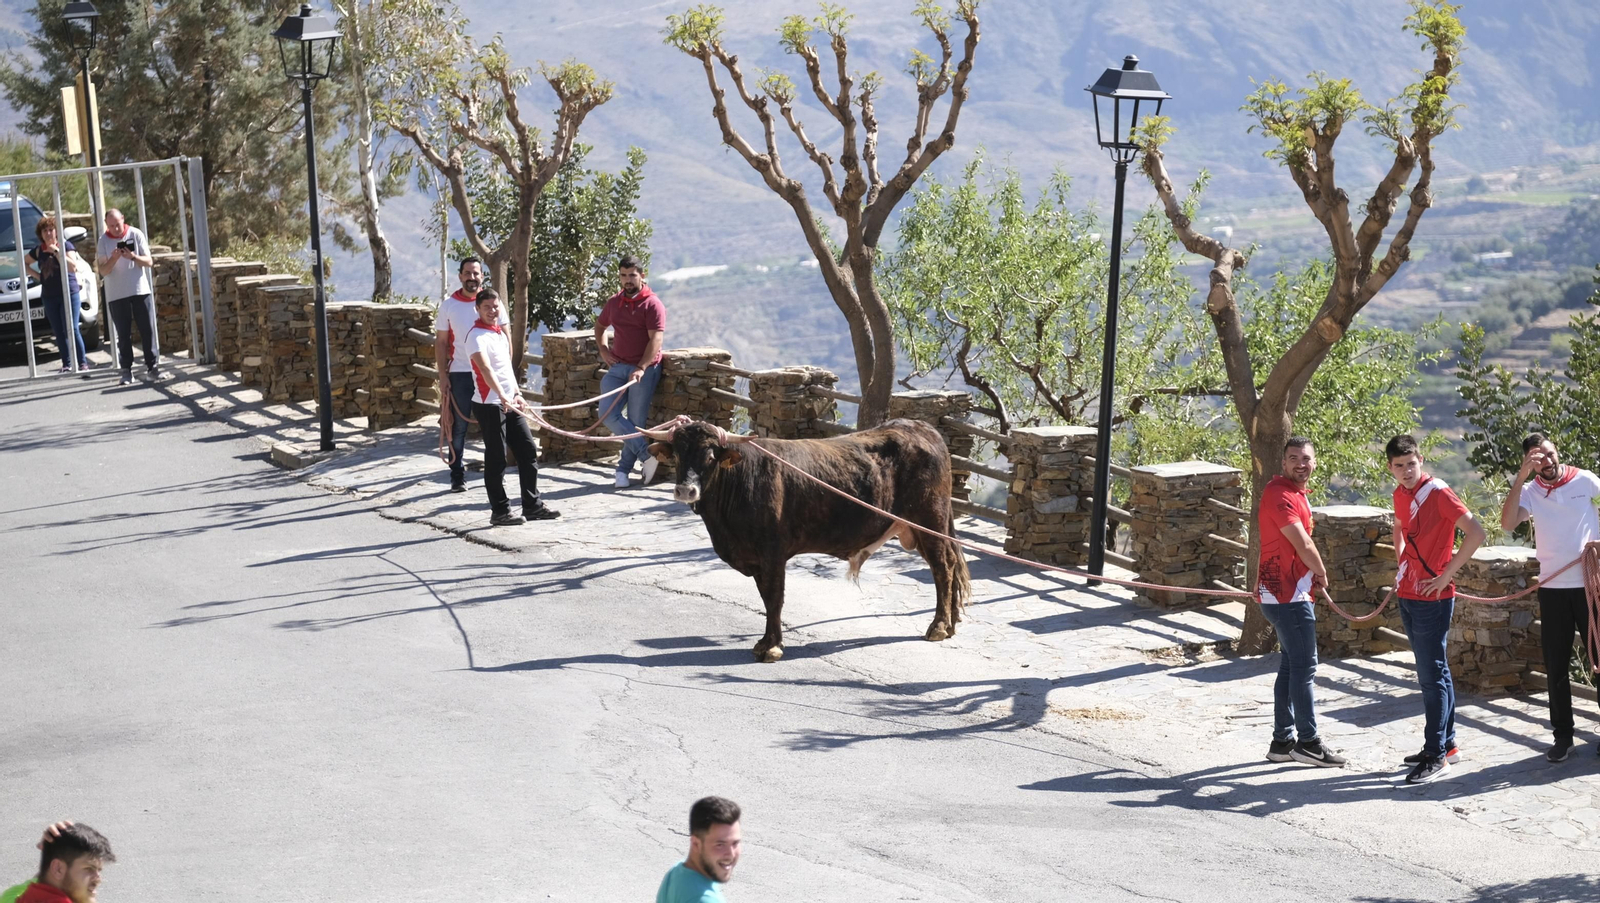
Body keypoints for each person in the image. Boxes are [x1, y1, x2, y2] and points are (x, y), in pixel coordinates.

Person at [1387, 434, 1485, 784]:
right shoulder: (1400, 494)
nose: (1406, 470)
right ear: (1391, 468)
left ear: (1421, 461)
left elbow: (1477, 533)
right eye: (1399, 465)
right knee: (1434, 672)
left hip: (1433, 597)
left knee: (1431, 677)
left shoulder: (1439, 492)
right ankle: (1448, 744)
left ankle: (1435, 755)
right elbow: (1400, 528)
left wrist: (1446, 576)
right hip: (1408, 591)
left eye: (1411, 464)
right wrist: (1402, 563)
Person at [1499, 431, 1600, 763]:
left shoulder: (1585, 480)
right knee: (1556, 666)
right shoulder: (1530, 491)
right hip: (1552, 589)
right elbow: (1507, 523)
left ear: (1558, 452)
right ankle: (1563, 737)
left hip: (1590, 586)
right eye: (1538, 458)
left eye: (1550, 454)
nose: (1547, 461)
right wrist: (1520, 478)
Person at [1257, 437, 1347, 768]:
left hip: (1284, 593)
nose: (1300, 463)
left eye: (1306, 458)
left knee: (1291, 665)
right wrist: (1321, 572)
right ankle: (1308, 743)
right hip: (1287, 596)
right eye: (1293, 458)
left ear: (1314, 463)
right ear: (1283, 463)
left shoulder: (1294, 493)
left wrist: (1311, 576)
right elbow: (1303, 542)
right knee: (1305, 667)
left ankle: (1282, 742)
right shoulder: (1279, 494)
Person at [466, 289, 560, 527]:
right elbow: (485, 370)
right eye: (486, 307)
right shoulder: (476, 336)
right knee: (496, 457)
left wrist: (516, 393)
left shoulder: (498, 334)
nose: (492, 311)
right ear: (477, 309)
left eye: (495, 306)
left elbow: (506, 370)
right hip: (490, 404)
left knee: (527, 450)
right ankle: (500, 511)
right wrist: (501, 396)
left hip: (509, 401)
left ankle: (532, 505)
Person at [595, 255, 666, 489]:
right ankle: (647, 456)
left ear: (642, 276)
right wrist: (604, 350)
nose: (627, 280)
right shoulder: (614, 302)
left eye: (632, 275)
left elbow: (656, 340)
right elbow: (600, 326)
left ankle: (623, 471)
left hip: (645, 370)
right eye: (623, 275)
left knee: (636, 421)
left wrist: (641, 367)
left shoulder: (653, 304)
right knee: (607, 415)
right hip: (617, 367)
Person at [435, 257, 502, 493]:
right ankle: (457, 475)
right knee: (458, 426)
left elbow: (504, 334)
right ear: (460, 276)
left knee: (493, 425)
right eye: (467, 273)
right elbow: (441, 342)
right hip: (461, 372)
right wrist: (443, 376)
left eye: (476, 273)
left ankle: (497, 473)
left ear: (482, 276)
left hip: (488, 373)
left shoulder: (493, 303)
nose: (472, 278)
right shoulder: (449, 306)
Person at [97, 208, 158, 386]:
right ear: (106, 225)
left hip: (140, 290)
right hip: (117, 295)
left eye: (118, 224)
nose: (116, 229)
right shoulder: (103, 241)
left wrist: (132, 256)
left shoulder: (135, 234)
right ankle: (126, 371)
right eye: (111, 226)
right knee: (123, 334)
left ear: (123, 219)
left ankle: (153, 367)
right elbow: (103, 271)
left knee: (147, 330)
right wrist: (114, 259)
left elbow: (149, 261)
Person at [24, 216, 88, 375]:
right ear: (40, 234)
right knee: (58, 331)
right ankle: (67, 364)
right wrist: (38, 276)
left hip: (69, 293)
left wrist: (57, 251)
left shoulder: (66, 246)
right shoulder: (38, 250)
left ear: (57, 231)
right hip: (49, 296)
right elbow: (24, 262)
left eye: (51, 230)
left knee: (72, 328)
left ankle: (82, 363)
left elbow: (72, 267)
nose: (48, 233)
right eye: (44, 231)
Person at [1, 821, 114, 903]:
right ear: (58, 869)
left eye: (98, 870)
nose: (98, 879)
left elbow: (41, 882)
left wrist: (52, 850)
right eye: (89, 868)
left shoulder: (13, 898)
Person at [656, 796, 741, 903]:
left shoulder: (677, 871)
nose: (731, 854)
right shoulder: (705, 899)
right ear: (696, 844)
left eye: (735, 843)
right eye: (720, 845)